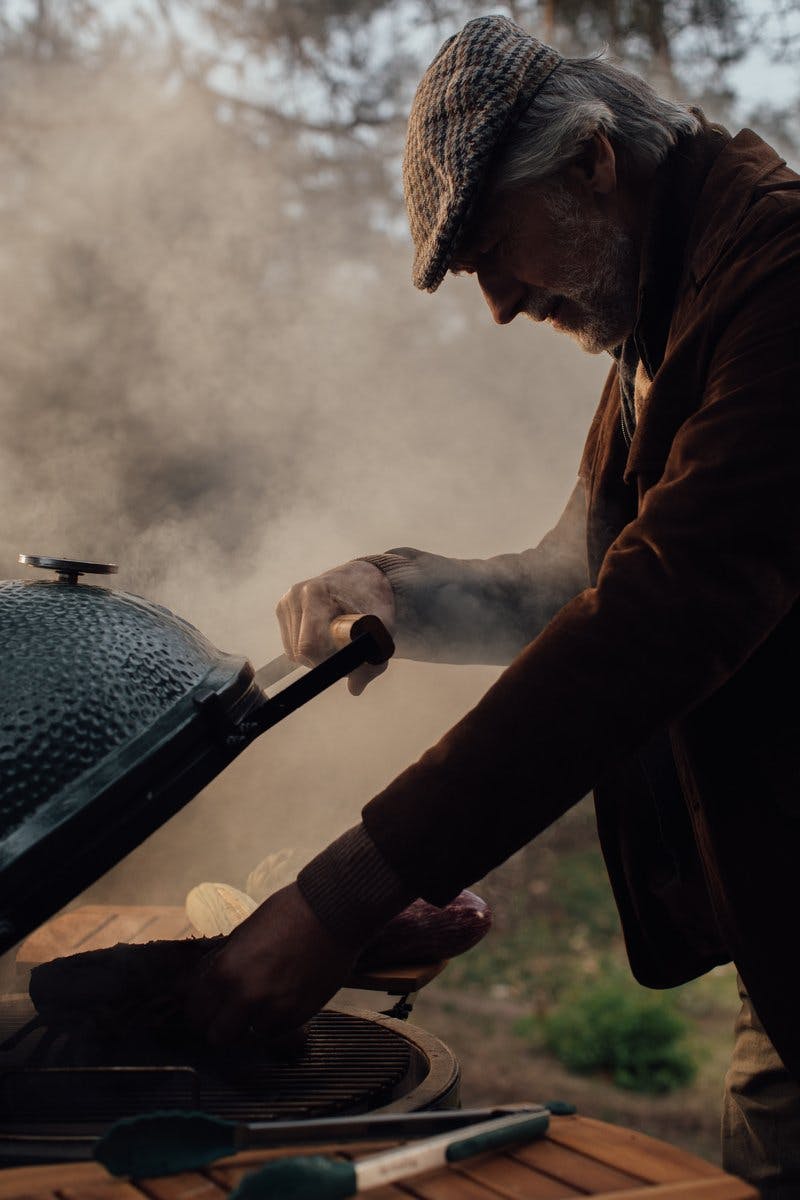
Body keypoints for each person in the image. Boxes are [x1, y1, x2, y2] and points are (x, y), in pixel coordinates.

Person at [187, 16, 800, 1193]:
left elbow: (657, 619)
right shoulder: (668, 312)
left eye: (491, 254)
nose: (500, 307)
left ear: (591, 161)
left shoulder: (777, 288)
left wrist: (343, 895)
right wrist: (397, 590)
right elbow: (576, 578)